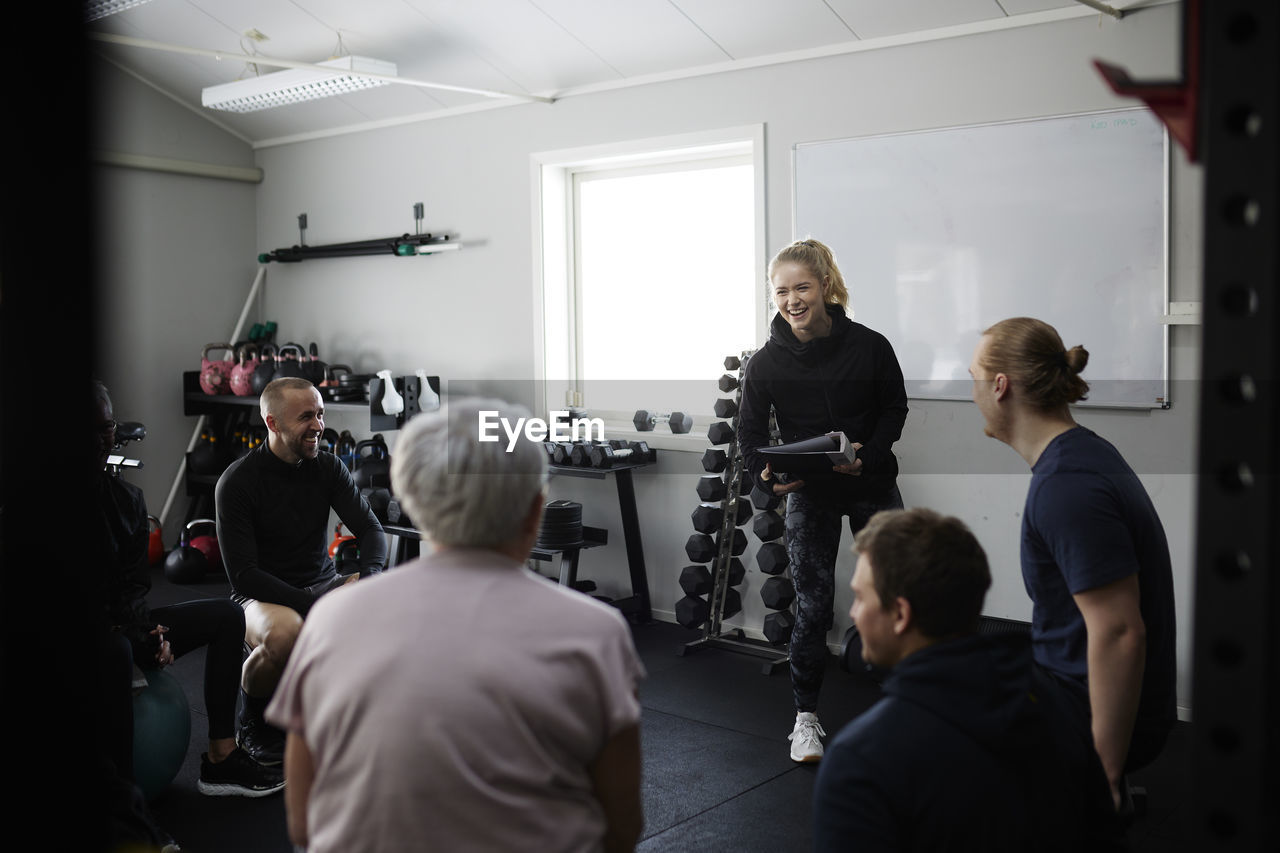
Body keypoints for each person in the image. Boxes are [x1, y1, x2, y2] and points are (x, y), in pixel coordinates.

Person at [265, 398, 646, 853]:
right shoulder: (596, 631)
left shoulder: (330, 620)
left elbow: (305, 822)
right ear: (535, 511)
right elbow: (621, 828)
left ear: (413, 502)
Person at [812, 508, 1121, 852]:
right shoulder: (1059, 707)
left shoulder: (861, 761)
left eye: (859, 597)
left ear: (901, 615)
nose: (853, 613)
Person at [968, 316, 1177, 812]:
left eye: (974, 377)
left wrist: (1101, 774)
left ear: (1001, 387)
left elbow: (1121, 633)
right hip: (1072, 688)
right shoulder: (1080, 455)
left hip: (1086, 713)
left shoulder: (1068, 485)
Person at [736, 237, 909, 762]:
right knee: (812, 606)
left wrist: (871, 455)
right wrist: (767, 479)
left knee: (899, 597)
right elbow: (748, 437)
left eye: (802, 287)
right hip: (810, 493)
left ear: (825, 286)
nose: (792, 299)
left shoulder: (870, 346)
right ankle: (805, 721)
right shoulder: (765, 363)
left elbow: (894, 408)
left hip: (870, 483)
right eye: (781, 291)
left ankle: (911, 711)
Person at [92, 380, 284, 801]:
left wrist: (148, 633)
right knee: (117, 651)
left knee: (227, 616)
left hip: (122, 628)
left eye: (106, 426)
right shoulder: (32, 502)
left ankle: (221, 758)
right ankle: (126, 806)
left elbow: (134, 587)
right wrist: (131, 636)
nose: (101, 437)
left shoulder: (126, 501)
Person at [214, 376, 388, 765]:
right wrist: (311, 606)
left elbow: (372, 531)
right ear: (272, 423)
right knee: (286, 633)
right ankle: (252, 723)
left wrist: (370, 580)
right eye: (306, 416)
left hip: (319, 583)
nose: (318, 425)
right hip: (259, 597)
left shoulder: (327, 467)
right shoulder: (237, 482)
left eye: (321, 414)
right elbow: (243, 574)